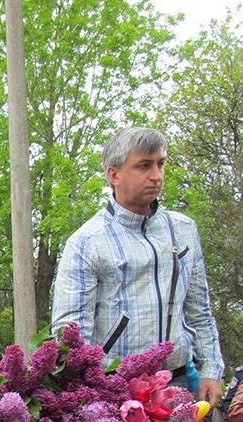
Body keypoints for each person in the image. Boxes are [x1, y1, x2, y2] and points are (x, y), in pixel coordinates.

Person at [52, 126, 224, 405]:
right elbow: (70, 332)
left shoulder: (184, 230)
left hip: (178, 381)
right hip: (115, 388)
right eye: (144, 166)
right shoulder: (86, 242)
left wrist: (211, 369)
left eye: (160, 164)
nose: (156, 175)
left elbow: (199, 310)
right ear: (114, 174)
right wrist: (86, 395)